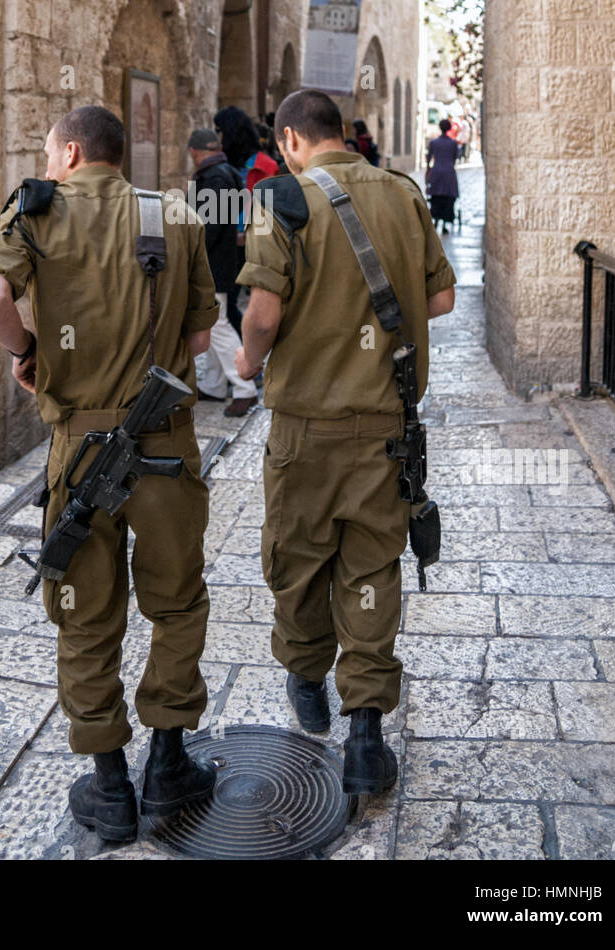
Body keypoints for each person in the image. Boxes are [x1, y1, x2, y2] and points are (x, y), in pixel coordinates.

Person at [0, 105, 219, 843]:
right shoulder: (174, 215)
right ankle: (169, 762)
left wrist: (32, 350)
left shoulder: (37, 210)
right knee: (176, 606)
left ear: (71, 152)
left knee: (85, 612)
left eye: (52, 157)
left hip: (79, 449)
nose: (50, 169)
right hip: (166, 446)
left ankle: (110, 787)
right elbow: (201, 337)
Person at [234, 88, 455, 795]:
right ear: (342, 134)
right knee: (369, 569)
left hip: (306, 428)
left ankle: (306, 677)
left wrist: (246, 361)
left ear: (292, 139)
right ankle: (366, 733)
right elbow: (443, 297)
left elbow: (262, 314)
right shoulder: (401, 193)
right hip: (387, 425)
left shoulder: (282, 200)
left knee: (298, 561)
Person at [186, 127, 258, 417]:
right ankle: (215, 386)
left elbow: (209, 227)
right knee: (215, 323)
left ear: (194, 151)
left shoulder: (213, 177)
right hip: (224, 260)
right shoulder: (226, 172)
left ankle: (245, 389)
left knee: (217, 325)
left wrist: (191, 255)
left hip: (212, 263)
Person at [213, 106, 279, 334]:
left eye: (219, 130)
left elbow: (267, 208)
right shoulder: (221, 162)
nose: (216, 135)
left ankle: (247, 359)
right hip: (224, 242)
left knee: (240, 305)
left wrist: (249, 234)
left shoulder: (266, 166)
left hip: (250, 243)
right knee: (226, 303)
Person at [426, 118, 461, 235]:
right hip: (449, 173)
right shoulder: (453, 144)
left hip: (437, 172)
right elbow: (455, 158)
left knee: (436, 197)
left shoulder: (434, 143)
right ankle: (446, 223)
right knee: (448, 198)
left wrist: (428, 172)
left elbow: (428, 159)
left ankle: (436, 218)